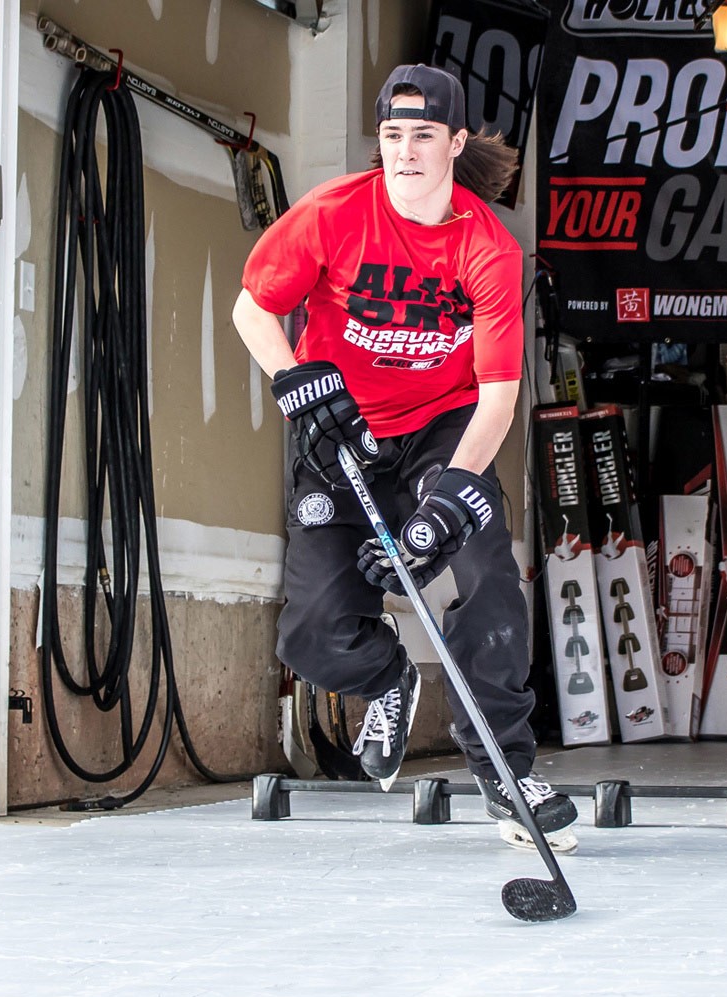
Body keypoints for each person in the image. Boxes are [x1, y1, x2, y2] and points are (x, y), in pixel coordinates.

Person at [232, 64, 577, 854]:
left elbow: (498, 396)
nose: (406, 152)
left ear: (455, 143)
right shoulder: (332, 213)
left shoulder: (485, 246)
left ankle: (504, 770)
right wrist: (295, 382)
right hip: (342, 428)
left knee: (485, 575)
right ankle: (388, 678)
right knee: (311, 635)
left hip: (441, 429)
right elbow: (253, 309)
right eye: (393, 135)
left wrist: (451, 499)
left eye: (424, 136)